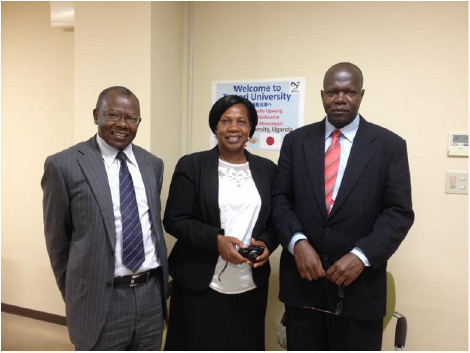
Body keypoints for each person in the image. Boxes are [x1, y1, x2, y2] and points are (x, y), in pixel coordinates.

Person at [272, 62, 414, 351]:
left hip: (359, 294)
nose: (340, 98)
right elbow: (280, 199)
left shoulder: (389, 145)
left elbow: (398, 212)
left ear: (361, 94)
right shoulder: (296, 141)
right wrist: (297, 243)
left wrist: (362, 256)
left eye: (349, 91)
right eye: (333, 92)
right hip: (304, 290)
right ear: (322, 95)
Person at [41, 86, 168, 350]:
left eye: (131, 118)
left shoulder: (152, 164)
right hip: (100, 299)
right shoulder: (64, 164)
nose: (122, 124)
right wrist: (77, 293)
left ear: (138, 122)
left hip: (150, 297)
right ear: (96, 115)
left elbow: (151, 227)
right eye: (113, 115)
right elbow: (57, 240)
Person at [163, 95, 279, 350]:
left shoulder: (268, 170)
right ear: (215, 127)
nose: (234, 128)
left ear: (251, 128)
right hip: (199, 284)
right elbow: (174, 220)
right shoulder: (192, 165)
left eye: (241, 121)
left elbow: (276, 220)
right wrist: (216, 241)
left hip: (250, 285)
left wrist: (268, 243)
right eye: (226, 121)